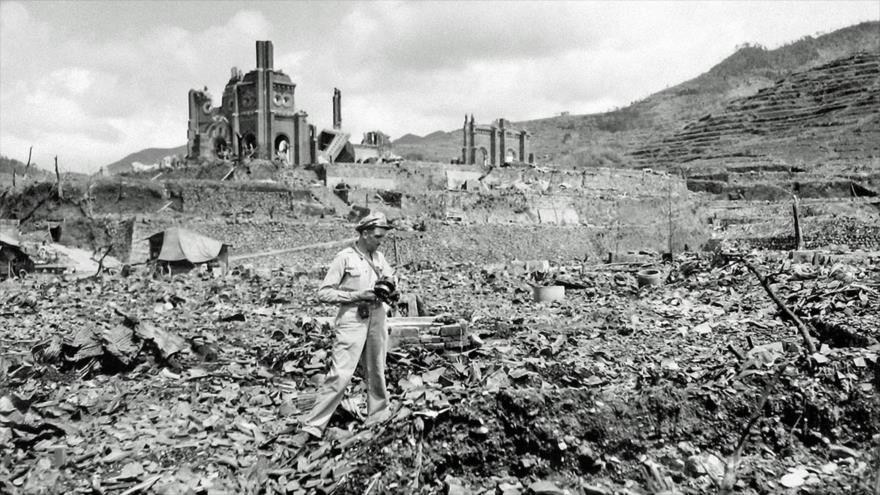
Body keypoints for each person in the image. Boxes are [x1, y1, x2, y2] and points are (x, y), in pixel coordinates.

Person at [298, 212, 396, 440]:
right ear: (364, 233)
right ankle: (314, 425)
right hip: (353, 317)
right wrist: (356, 295)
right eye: (377, 236)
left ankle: (378, 417)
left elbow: (391, 280)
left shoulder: (380, 258)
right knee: (340, 373)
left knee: (376, 370)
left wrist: (391, 287)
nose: (381, 241)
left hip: (378, 316)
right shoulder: (345, 257)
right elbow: (324, 293)